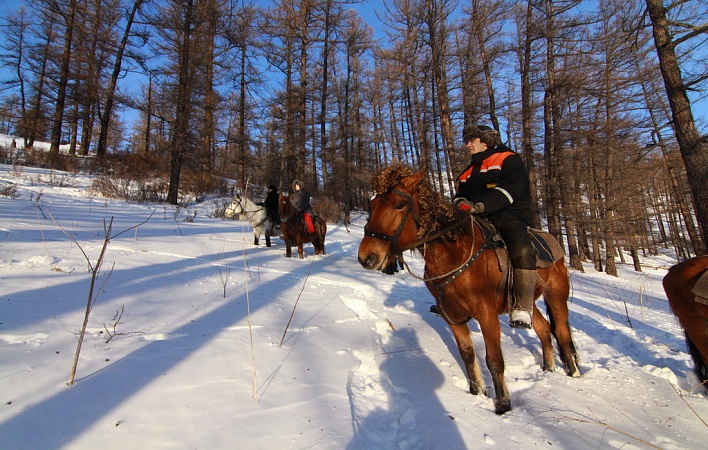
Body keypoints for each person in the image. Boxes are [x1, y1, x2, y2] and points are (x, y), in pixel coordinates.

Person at [453, 125, 537, 329]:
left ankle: (523, 306)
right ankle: (456, 301)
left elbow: (513, 188)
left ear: (486, 141)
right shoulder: (467, 172)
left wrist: (482, 206)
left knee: (522, 249)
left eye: (472, 140)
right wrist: (460, 203)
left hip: (510, 215)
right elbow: (459, 195)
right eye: (467, 140)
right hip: (477, 218)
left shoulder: (508, 159)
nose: (468, 144)